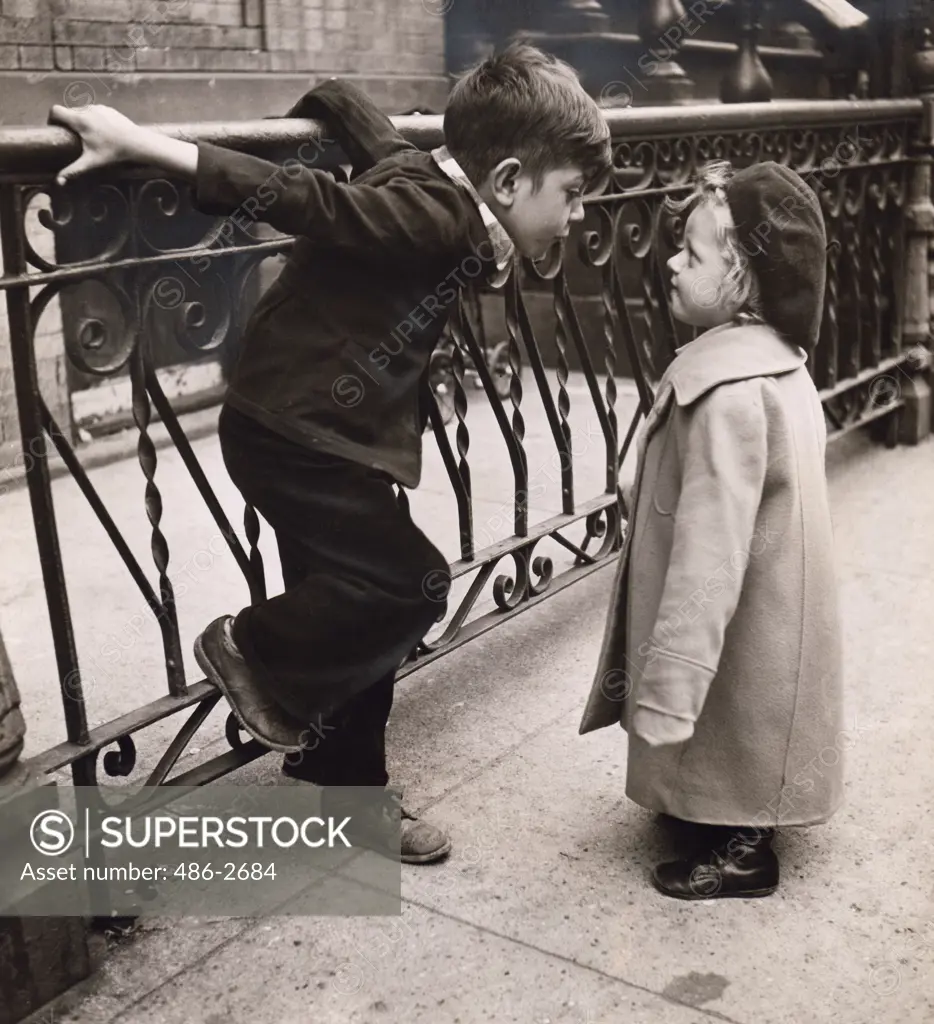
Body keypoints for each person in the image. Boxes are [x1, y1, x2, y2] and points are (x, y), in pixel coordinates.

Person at [50, 42, 611, 865]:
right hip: (298, 434)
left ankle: (340, 778)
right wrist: (141, 145)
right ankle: (248, 649)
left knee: (360, 615)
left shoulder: (426, 181)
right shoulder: (438, 215)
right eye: (569, 193)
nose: (577, 214)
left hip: (317, 432)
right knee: (409, 584)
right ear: (507, 181)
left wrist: (331, 97)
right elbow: (304, 199)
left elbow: (377, 141)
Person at [579, 160, 844, 899]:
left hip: (743, 608)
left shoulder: (729, 395)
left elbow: (709, 561)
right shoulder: (778, 370)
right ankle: (717, 807)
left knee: (740, 703)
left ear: (745, 283)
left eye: (691, 255)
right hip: (767, 606)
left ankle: (743, 849)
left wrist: (663, 688)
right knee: (742, 704)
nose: (670, 261)